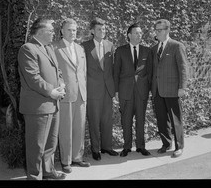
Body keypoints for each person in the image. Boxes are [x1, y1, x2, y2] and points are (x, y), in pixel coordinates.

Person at [18, 18, 67, 180]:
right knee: (36, 145)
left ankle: (48, 172)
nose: (54, 33)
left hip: (53, 104)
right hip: (37, 107)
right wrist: (51, 91)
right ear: (40, 32)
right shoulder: (28, 49)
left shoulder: (49, 48)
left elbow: (57, 71)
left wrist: (61, 84)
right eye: (51, 31)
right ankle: (34, 176)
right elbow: (32, 77)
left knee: (50, 144)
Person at [53, 19, 90, 174]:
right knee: (65, 129)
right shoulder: (55, 48)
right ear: (61, 31)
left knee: (79, 128)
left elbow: (83, 72)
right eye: (69, 30)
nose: (72, 33)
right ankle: (66, 161)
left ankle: (77, 157)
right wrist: (60, 86)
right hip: (65, 95)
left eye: (74, 30)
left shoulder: (80, 49)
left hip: (81, 94)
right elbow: (55, 72)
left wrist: (84, 90)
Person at [81, 17, 118, 161]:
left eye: (103, 29)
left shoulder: (110, 45)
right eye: (99, 29)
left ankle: (107, 147)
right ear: (92, 31)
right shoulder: (84, 46)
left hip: (108, 89)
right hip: (93, 90)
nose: (102, 31)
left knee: (107, 120)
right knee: (94, 121)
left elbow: (113, 68)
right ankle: (95, 149)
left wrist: (114, 89)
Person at [113, 23, 153, 157]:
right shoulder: (120, 51)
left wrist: (149, 90)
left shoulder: (147, 51)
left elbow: (150, 72)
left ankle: (141, 146)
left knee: (141, 120)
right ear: (129, 35)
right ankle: (127, 147)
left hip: (141, 92)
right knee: (126, 120)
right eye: (136, 33)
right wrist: (117, 92)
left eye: (140, 33)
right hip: (125, 92)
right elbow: (116, 72)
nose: (139, 35)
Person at [151, 19, 188, 158]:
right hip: (158, 91)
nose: (157, 32)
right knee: (161, 119)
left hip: (173, 89)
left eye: (159, 30)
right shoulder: (154, 49)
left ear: (167, 30)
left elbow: (183, 68)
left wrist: (182, 87)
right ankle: (166, 144)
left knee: (175, 119)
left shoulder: (177, 46)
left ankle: (179, 146)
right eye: (156, 30)